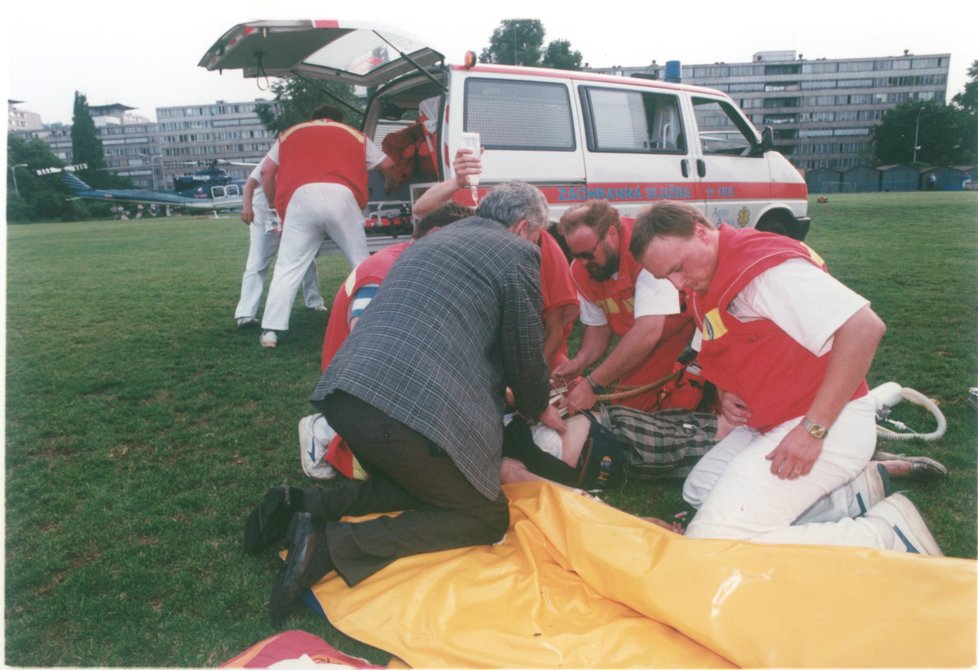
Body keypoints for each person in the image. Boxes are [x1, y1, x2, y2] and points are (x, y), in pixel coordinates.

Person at [245, 181, 566, 625]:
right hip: (403, 409)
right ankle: (331, 546)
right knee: (483, 514)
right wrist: (537, 405)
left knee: (426, 485)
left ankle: (303, 505)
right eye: (538, 238)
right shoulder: (516, 253)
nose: (538, 247)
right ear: (524, 227)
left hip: (345, 395)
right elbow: (525, 351)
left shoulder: (431, 241)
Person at [628, 200, 942, 555]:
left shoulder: (763, 271)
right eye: (665, 277)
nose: (678, 284)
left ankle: (887, 536)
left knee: (712, 540)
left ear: (701, 233)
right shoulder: (709, 278)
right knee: (699, 490)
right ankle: (850, 498)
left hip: (829, 423)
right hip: (774, 421)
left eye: (678, 268)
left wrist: (813, 430)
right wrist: (726, 389)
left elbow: (865, 327)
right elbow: (720, 340)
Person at [299, 201, 474, 480]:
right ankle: (326, 430)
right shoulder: (383, 272)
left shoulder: (411, 262)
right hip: (360, 389)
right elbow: (368, 350)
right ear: (436, 235)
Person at [412, 148, 579, 369]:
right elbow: (421, 209)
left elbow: (553, 331)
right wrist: (457, 182)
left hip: (535, 348)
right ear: (521, 229)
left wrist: (531, 379)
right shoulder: (483, 224)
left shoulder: (546, 248)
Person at [257, 105, 397, 348]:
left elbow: (267, 171)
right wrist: (391, 183)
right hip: (343, 197)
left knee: (288, 266)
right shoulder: (354, 134)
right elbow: (389, 164)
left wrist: (272, 201)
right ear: (339, 119)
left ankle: (271, 331)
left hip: (301, 198)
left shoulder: (291, 133)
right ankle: (375, 315)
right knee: (361, 262)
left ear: (313, 119)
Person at [553, 201, 698, 415]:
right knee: (628, 407)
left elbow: (648, 331)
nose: (582, 263)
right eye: (575, 256)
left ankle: (690, 380)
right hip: (645, 335)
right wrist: (580, 362)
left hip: (678, 326)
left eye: (587, 254)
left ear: (611, 234)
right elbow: (599, 328)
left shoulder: (644, 251)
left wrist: (593, 383)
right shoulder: (582, 271)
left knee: (630, 409)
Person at [234, 155, 324, 329]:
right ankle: (245, 314)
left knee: (305, 259)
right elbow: (251, 183)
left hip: (288, 214)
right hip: (264, 216)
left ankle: (314, 302)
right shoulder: (274, 157)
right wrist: (247, 207)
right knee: (257, 263)